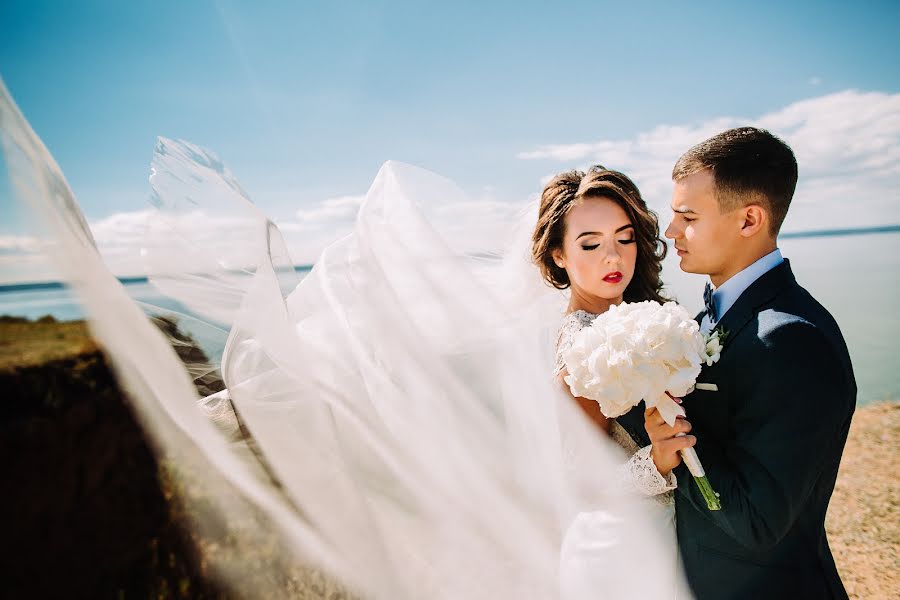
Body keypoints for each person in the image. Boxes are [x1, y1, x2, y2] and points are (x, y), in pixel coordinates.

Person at [617, 127, 856, 599]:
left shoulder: (790, 339)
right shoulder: (707, 315)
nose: (670, 232)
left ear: (749, 220)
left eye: (687, 216)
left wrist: (671, 446)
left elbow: (758, 520)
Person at [534, 166, 693, 598]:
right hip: (620, 549)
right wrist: (658, 459)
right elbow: (583, 481)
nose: (613, 257)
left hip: (657, 534)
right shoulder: (581, 346)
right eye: (590, 244)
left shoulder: (633, 319)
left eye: (624, 239)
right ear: (558, 255)